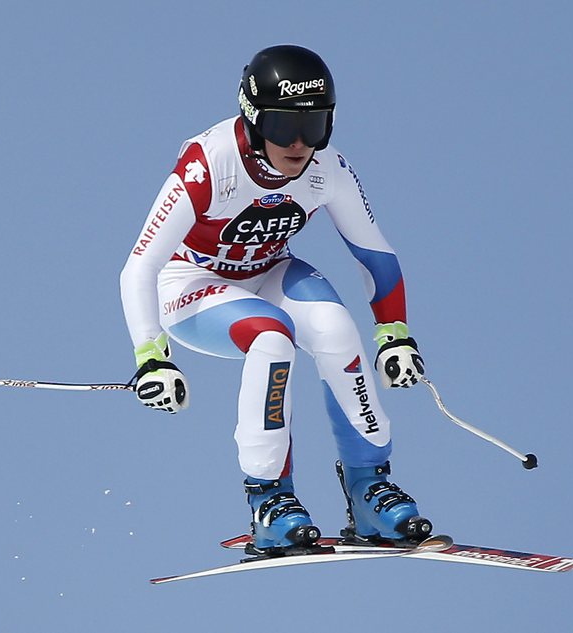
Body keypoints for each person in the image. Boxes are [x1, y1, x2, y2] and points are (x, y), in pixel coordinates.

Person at [119, 44, 432, 554]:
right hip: (190, 286)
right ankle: (269, 500)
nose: (300, 143)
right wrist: (152, 358)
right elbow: (140, 266)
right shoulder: (209, 163)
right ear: (253, 117)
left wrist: (394, 335)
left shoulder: (327, 169)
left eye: (316, 127)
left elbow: (375, 252)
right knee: (271, 337)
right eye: (285, 126)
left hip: (268, 271)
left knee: (335, 330)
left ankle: (369, 488)